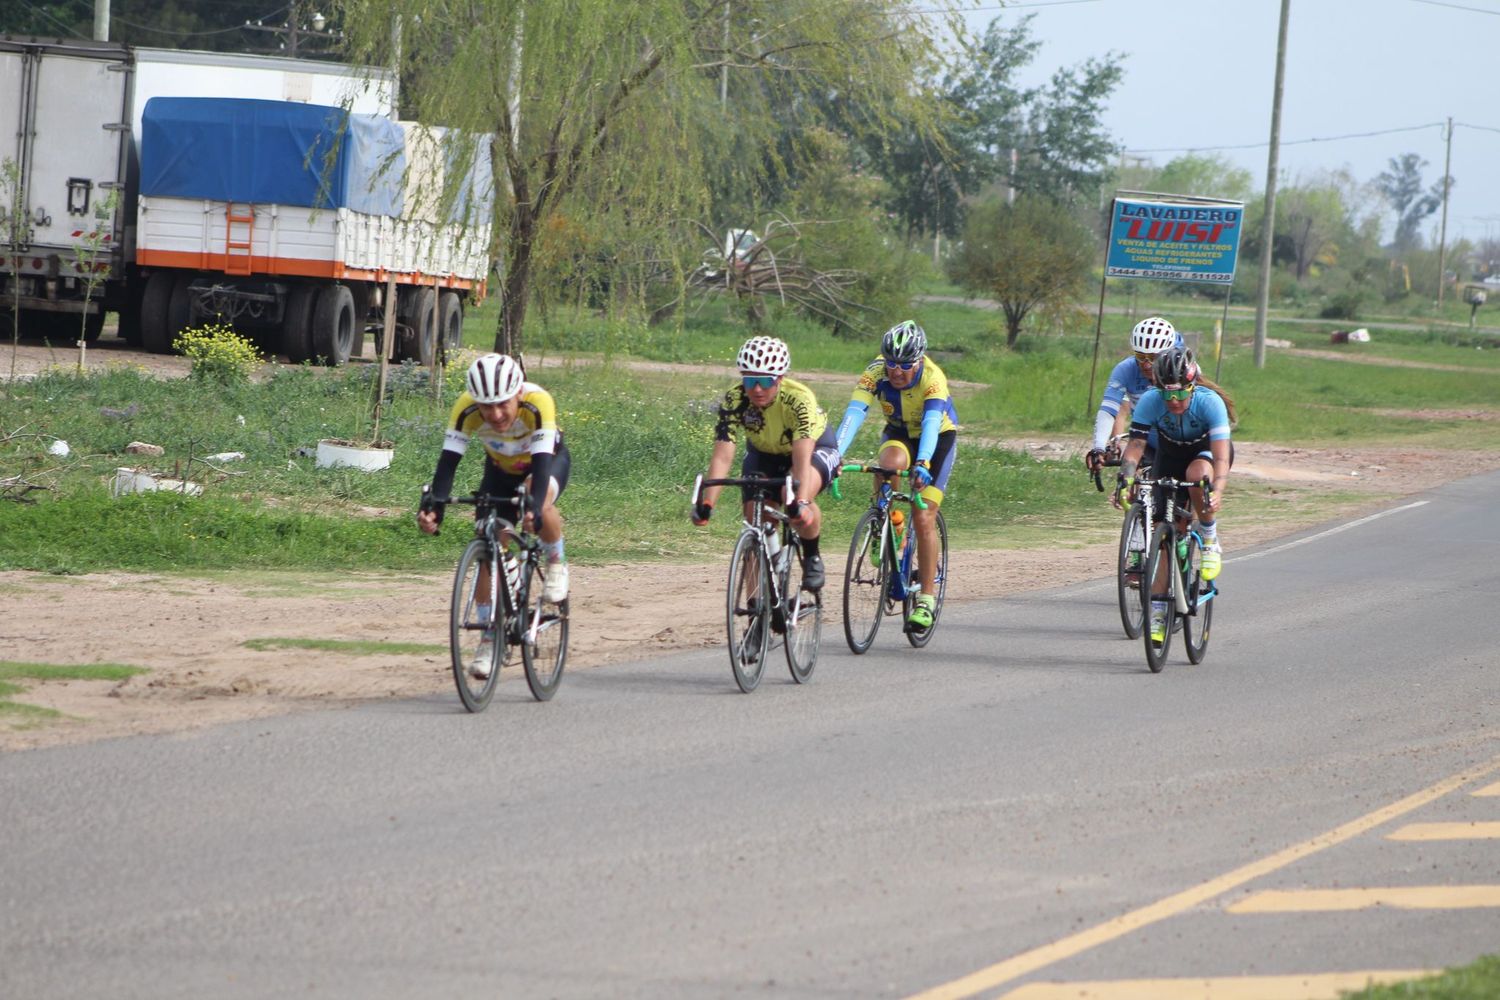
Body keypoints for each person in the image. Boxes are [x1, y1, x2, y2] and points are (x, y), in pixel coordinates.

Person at [418, 353, 571, 678]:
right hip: (500, 470)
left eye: (502, 404)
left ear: (517, 393)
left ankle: (556, 561)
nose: (496, 414)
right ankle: (490, 637)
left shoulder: (538, 402)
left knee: (538, 500)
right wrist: (436, 507)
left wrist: (531, 508)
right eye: (487, 407)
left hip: (543, 464)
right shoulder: (466, 408)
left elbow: (542, 464)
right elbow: (447, 464)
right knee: (488, 543)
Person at [833, 320, 958, 630]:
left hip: (936, 439)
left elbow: (931, 424)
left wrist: (924, 463)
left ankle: (926, 600)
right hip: (900, 433)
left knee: (924, 514)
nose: (896, 371)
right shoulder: (874, 372)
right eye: (891, 363)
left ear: (919, 360)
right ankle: (885, 526)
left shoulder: (933, 379)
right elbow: (854, 414)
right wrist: (832, 454)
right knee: (888, 464)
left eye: (905, 365)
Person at [691, 335, 837, 594]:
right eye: (750, 380)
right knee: (754, 519)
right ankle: (756, 609)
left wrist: (800, 502)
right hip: (764, 453)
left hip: (813, 449)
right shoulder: (735, 401)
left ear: (779, 379)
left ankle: (812, 556)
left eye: (765, 381)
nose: (757, 389)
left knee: (790, 495)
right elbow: (723, 456)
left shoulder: (799, 399)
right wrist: (707, 503)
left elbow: (801, 458)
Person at [1111, 347, 1234, 643]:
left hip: (1203, 454)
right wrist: (1125, 479)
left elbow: (1220, 459)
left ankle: (1208, 537)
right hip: (1170, 455)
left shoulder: (1210, 403)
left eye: (1180, 394)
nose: (1174, 401)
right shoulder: (1151, 402)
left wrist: (1216, 491)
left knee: (1196, 477)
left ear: (1192, 386)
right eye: (1167, 395)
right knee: (1163, 541)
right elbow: (1137, 447)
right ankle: (1158, 613)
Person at [1083, 315, 1183, 476]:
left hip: (1182, 443)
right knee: (1127, 481)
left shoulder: (1183, 368)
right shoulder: (1125, 369)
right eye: (1140, 356)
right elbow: (1108, 410)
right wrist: (1099, 448)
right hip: (1147, 442)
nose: (1146, 364)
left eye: (1153, 357)